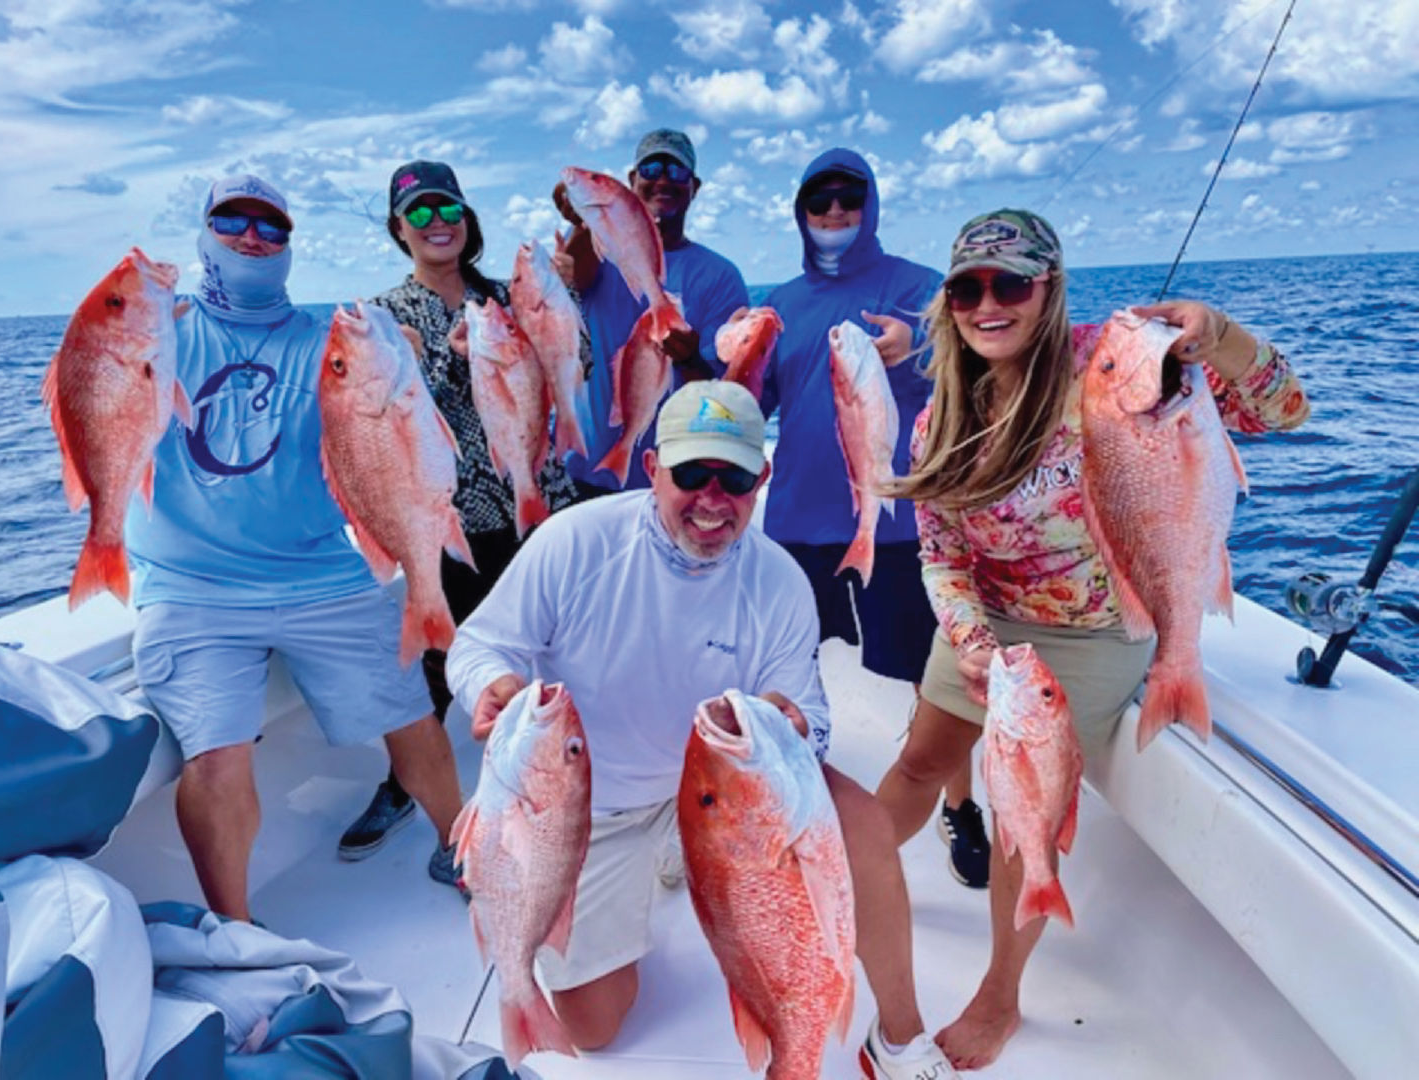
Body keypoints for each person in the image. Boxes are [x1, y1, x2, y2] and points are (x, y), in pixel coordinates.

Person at [874, 208, 1311, 1069]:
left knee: (1021, 816)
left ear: (1050, 288)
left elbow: (1286, 409)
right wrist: (967, 639)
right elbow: (940, 551)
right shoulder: (940, 419)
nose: (988, 304)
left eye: (1012, 284)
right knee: (922, 761)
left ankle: (1000, 992)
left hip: (1098, 630)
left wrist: (1219, 336)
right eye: (968, 287)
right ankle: (843, 874)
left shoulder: (1120, 362)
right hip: (985, 625)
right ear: (948, 301)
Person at [446, 380, 960, 1079]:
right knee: (594, 1028)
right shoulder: (575, 541)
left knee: (862, 822)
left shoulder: (777, 580)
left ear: (763, 479)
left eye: (736, 478)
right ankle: (655, 875)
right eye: (692, 474)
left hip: (728, 796)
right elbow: (480, 646)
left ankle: (898, 1037)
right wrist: (491, 687)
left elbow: (810, 717)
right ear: (653, 468)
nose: (713, 499)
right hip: (593, 808)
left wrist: (790, 724)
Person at [126, 174, 466, 921]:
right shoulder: (158, 334)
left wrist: (397, 356)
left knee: (413, 712)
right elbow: (95, 397)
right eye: (233, 220)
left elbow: (385, 442)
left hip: (321, 571)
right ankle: (238, 930)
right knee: (214, 755)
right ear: (205, 233)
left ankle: (462, 847)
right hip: (192, 592)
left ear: (288, 245)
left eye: (271, 226)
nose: (253, 236)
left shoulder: (324, 346)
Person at [337, 160, 580, 871]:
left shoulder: (513, 296)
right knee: (441, 660)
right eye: (418, 213)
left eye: (448, 208)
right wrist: (442, 362)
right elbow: (378, 420)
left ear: (468, 219)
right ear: (398, 228)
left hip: (535, 502)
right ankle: (408, 783)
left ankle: (558, 780)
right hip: (446, 515)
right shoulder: (382, 320)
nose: (437, 221)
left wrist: (558, 301)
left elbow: (578, 364)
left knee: (550, 648)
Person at [761, 147, 991, 888]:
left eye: (847, 199)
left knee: (936, 677)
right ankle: (793, 797)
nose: (833, 214)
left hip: (897, 526)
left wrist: (920, 347)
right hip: (795, 521)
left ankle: (960, 805)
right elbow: (752, 400)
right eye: (817, 202)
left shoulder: (921, 289)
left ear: (872, 204)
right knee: (785, 669)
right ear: (800, 214)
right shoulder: (782, 303)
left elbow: (986, 363)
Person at [551, 127, 750, 496]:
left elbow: (723, 395)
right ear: (630, 180)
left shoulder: (722, 277)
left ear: (695, 187)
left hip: (678, 481)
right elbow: (574, 280)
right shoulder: (594, 246)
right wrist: (582, 218)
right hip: (582, 472)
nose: (663, 179)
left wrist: (689, 358)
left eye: (677, 172)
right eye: (651, 168)